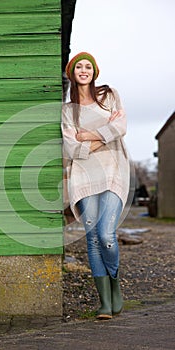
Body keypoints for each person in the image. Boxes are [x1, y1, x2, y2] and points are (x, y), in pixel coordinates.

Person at [61, 52, 130, 320]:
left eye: (88, 66)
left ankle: (115, 283)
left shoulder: (109, 95)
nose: (84, 70)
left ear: (94, 71)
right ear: (72, 73)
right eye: (79, 66)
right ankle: (105, 302)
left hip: (113, 172)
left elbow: (120, 126)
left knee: (106, 236)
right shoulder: (68, 111)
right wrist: (103, 135)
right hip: (83, 177)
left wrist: (90, 136)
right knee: (92, 239)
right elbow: (71, 147)